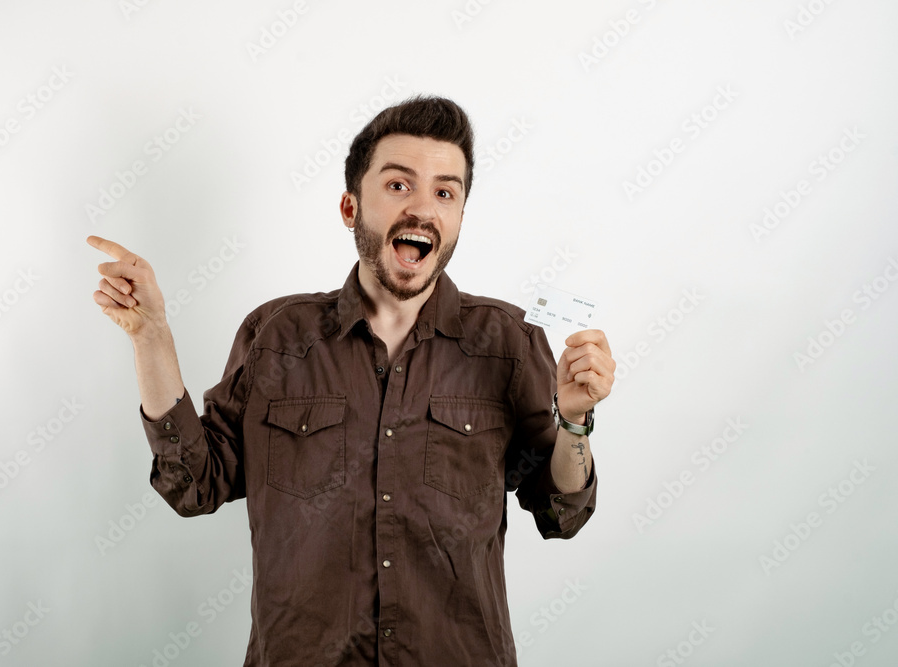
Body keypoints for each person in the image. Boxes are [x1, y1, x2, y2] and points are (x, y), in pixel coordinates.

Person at [88, 95, 615, 666]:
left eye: (445, 192)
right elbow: (194, 484)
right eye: (398, 185)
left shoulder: (509, 343)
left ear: (461, 215)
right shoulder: (278, 336)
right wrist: (152, 338)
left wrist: (575, 420)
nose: (422, 208)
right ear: (349, 207)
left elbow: (560, 512)